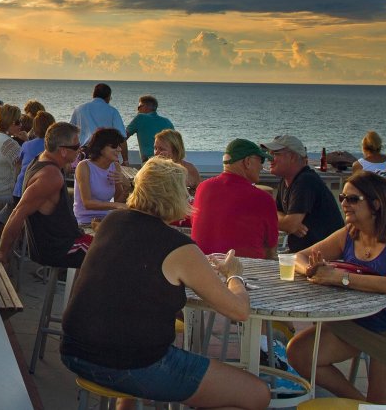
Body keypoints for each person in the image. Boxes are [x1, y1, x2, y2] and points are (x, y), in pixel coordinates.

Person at [60, 158, 271, 410]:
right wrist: (234, 274)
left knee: (135, 339)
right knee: (257, 394)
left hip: (75, 351)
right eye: (187, 191)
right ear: (175, 196)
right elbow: (239, 310)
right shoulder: (179, 248)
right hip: (129, 364)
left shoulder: (112, 222)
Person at [286, 172, 386, 404]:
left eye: (352, 199)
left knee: (384, 406)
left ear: (376, 204)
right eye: (342, 197)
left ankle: (369, 408)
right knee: (299, 353)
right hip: (365, 321)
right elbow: (299, 257)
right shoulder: (350, 234)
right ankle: (361, 404)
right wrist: (313, 271)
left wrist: (340, 277)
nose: (344, 204)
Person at [0, 122, 91, 269]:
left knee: (108, 243)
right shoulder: (50, 176)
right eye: (77, 147)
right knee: (113, 252)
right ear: (63, 151)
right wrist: (2, 251)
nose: (79, 150)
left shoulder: (40, 158)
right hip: (61, 247)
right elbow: (17, 213)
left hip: (66, 240)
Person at [192, 139, 278, 259]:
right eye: (261, 161)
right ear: (247, 162)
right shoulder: (262, 198)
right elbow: (271, 251)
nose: (261, 167)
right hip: (245, 272)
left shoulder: (203, 187)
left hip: (203, 268)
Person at [263, 134, 344, 254]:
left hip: (323, 257)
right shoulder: (286, 181)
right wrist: (286, 222)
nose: (269, 158)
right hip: (304, 252)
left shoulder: (305, 181)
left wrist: (289, 223)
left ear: (292, 157)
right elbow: (278, 214)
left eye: (275, 154)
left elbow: (290, 225)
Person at [73, 127, 128, 224]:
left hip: (105, 220)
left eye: (119, 145)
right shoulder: (84, 166)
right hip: (85, 221)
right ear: (100, 148)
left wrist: (127, 187)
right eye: (114, 146)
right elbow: (87, 203)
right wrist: (115, 205)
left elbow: (119, 201)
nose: (119, 149)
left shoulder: (115, 166)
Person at [69, 83, 129, 164]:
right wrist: (125, 160)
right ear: (108, 96)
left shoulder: (79, 109)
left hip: (84, 154)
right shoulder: (112, 111)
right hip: (106, 155)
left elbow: (70, 133)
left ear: (93, 95)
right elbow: (122, 138)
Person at [14, 111, 55, 202]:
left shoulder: (26, 145)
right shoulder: (53, 147)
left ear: (35, 129)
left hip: (20, 189)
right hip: (39, 191)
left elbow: (18, 161)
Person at [125, 95, 174, 163]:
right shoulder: (167, 122)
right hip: (168, 162)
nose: (138, 110)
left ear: (145, 106)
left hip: (150, 162)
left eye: (139, 107)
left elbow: (123, 137)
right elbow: (175, 143)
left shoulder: (140, 117)